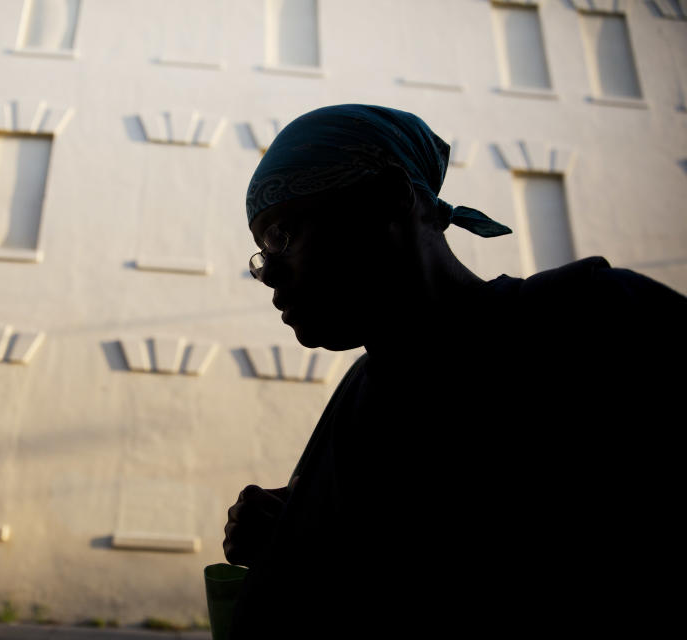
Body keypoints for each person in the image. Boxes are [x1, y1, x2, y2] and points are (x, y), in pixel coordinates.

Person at [223, 104, 685, 637]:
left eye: (282, 234)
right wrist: (292, 530)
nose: (268, 271)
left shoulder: (593, 322)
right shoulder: (358, 394)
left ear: (389, 197)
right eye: (260, 254)